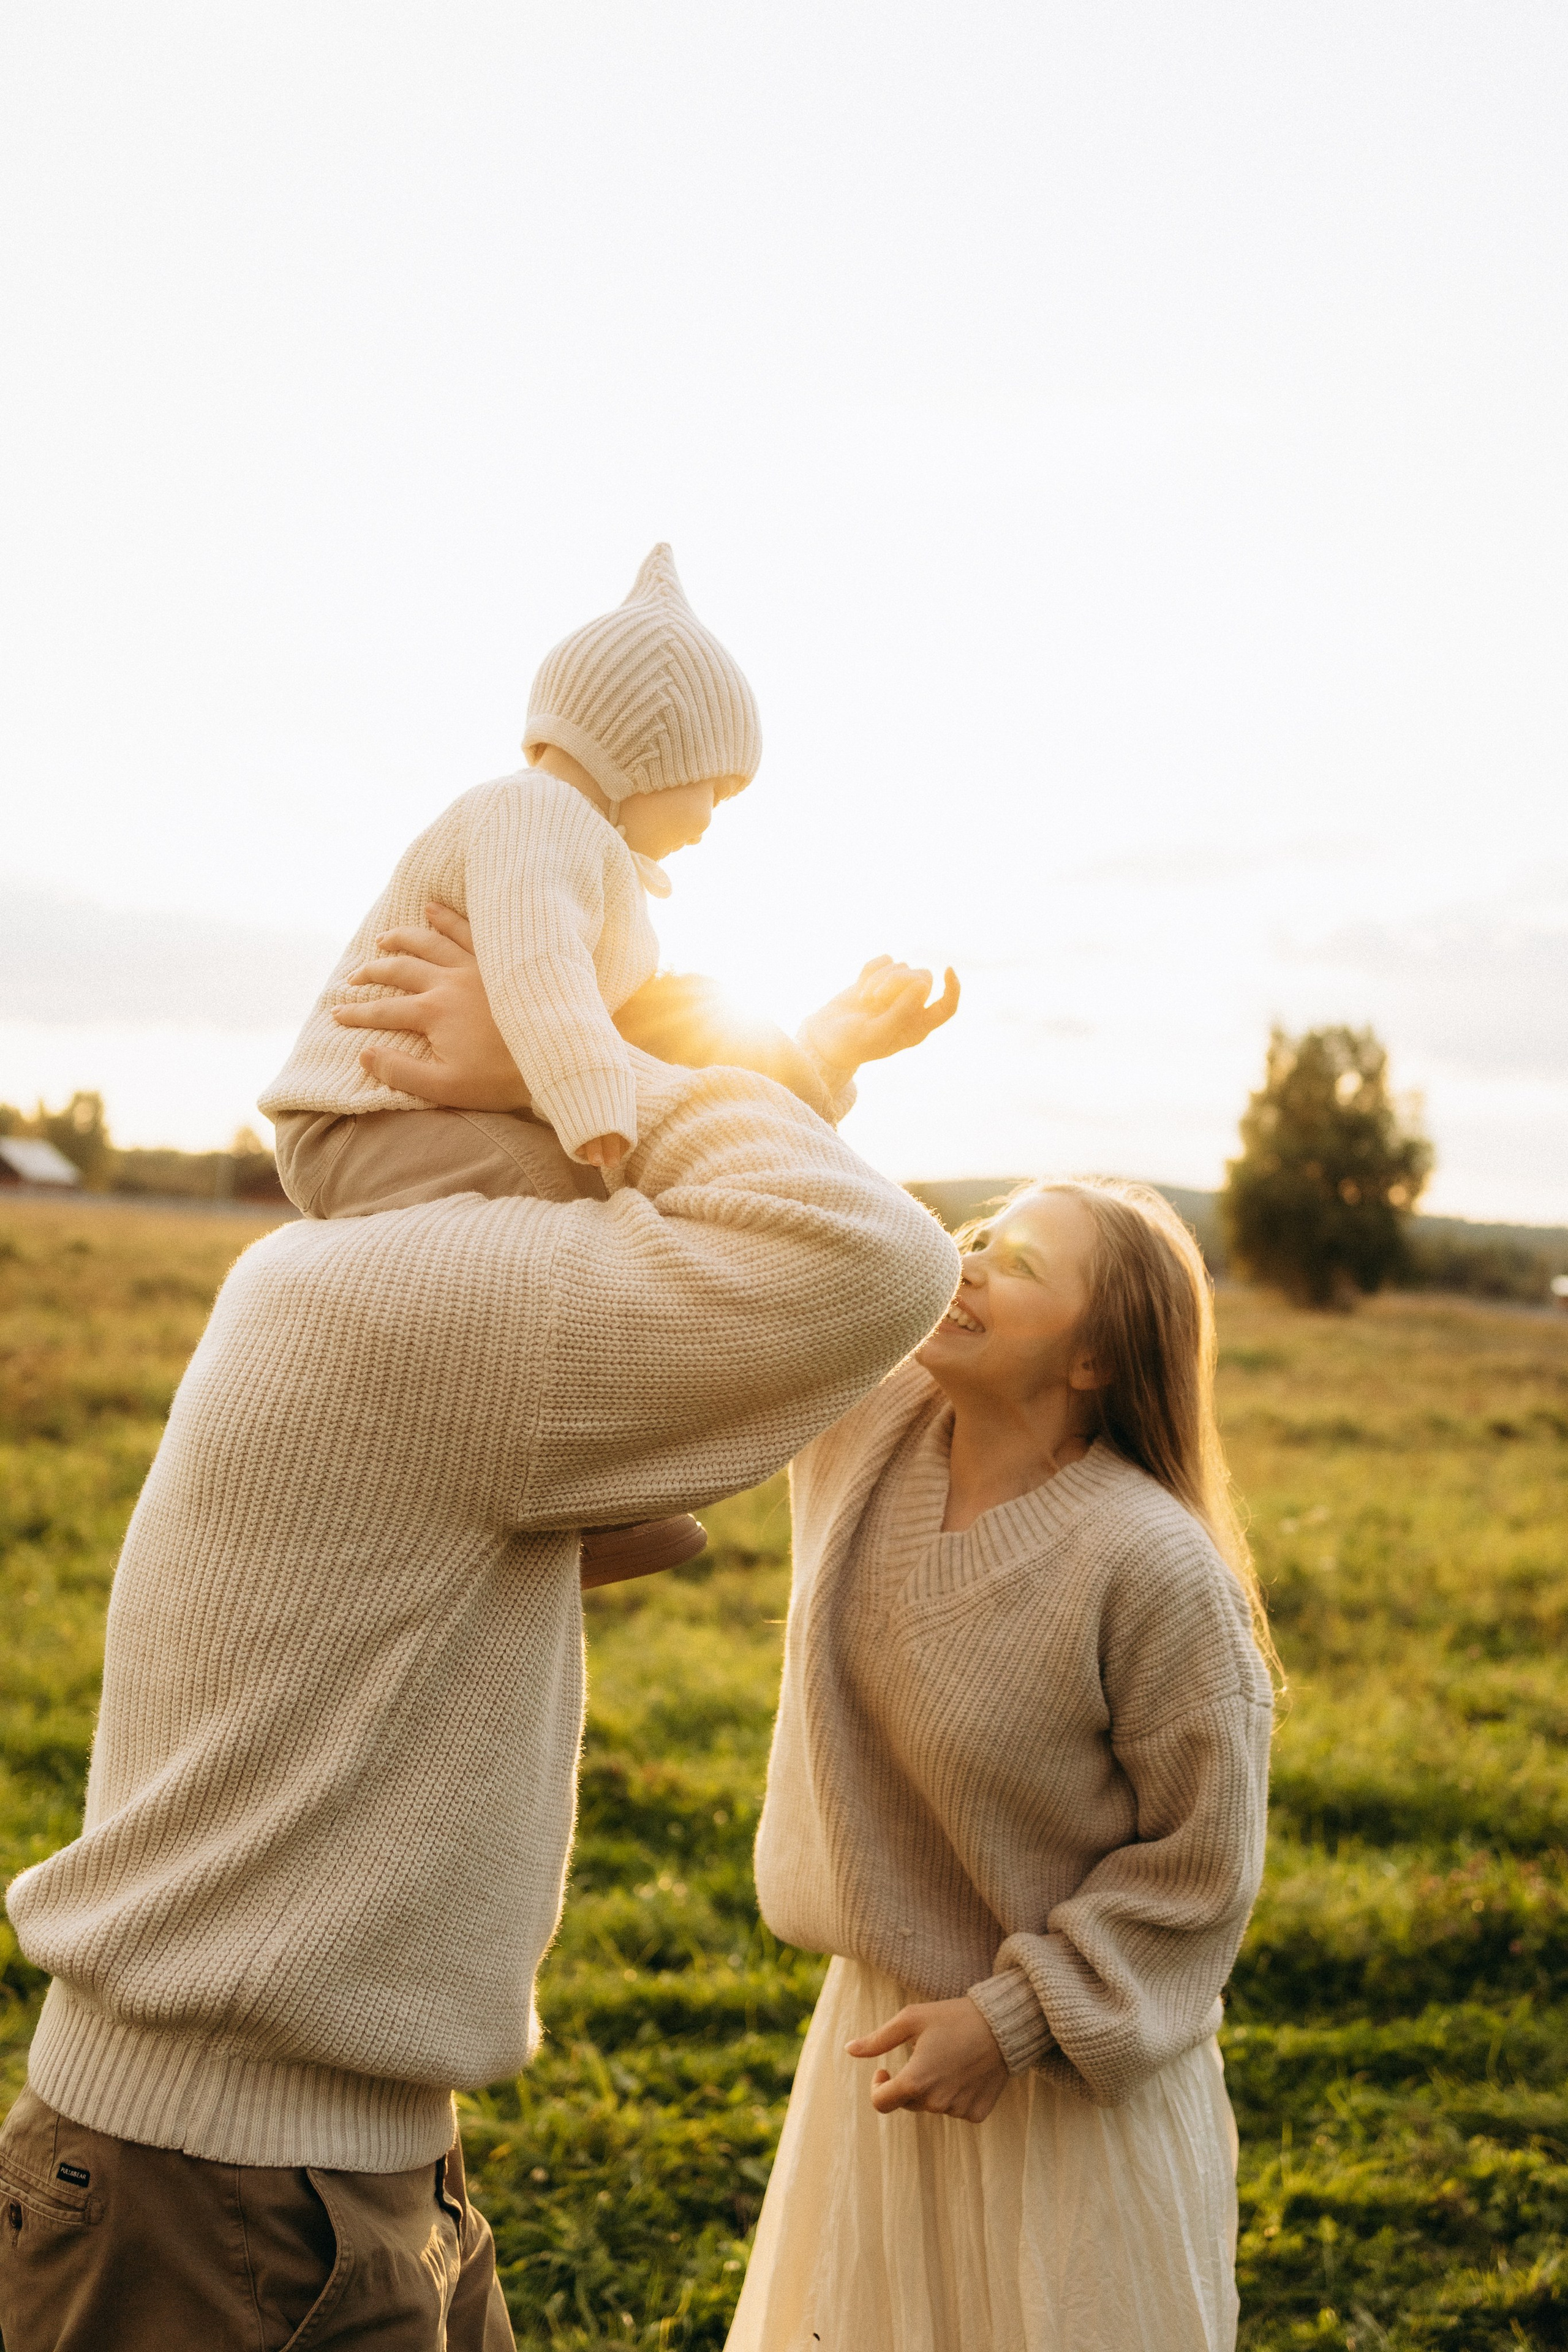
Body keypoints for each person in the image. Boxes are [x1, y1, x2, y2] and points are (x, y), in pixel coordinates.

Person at [0, 946, 961, 2351]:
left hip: (323, 2164)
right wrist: (587, 1063)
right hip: (223, 2190)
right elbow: (874, 1260)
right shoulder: (423, 1295)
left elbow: (659, 1516)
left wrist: (774, 1073)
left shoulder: (338, 1280)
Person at [259, 540, 957, 1583]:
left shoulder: (592, 861)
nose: (712, 822)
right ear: (648, 756)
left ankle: (598, 1486)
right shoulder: (533, 817)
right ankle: (595, 1485)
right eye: (713, 791)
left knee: (590, 1239)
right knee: (598, 1231)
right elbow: (539, 970)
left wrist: (814, 1060)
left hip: (425, 1118)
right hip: (375, 1116)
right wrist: (591, 1103)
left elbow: (654, 1028)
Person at [728, 1178, 1278, 2352]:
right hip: (877, 2057)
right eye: (974, 1237)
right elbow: (779, 1214)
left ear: (1094, 1360)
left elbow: (1203, 1874)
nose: (966, 1262)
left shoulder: (1153, 1565)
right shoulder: (863, 1426)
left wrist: (1012, 2022)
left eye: (1019, 1263)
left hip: (1065, 2096)